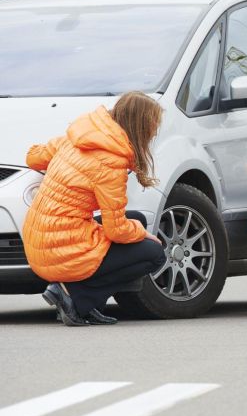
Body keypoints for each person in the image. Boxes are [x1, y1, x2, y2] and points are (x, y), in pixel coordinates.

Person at [22, 91, 167, 326]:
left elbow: (33, 157)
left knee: (136, 218)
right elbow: (116, 230)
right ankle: (76, 297)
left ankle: (83, 300)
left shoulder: (80, 136)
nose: (153, 134)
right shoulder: (111, 162)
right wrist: (143, 232)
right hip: (59, 248)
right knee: (154, 253)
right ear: (141, 127)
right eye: (153, 127)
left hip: (38, 236)